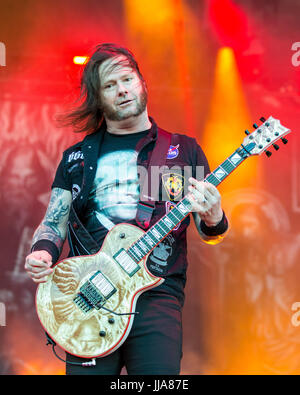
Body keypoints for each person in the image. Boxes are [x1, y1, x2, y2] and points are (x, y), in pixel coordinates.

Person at [24, 43, 229, 375]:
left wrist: (213, 215)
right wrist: (42, 252)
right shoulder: (77, 158)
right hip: (89, 295)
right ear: (98, 97)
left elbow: (211, 234)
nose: (121, 90)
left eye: (127, 80)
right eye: (109, 85)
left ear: (142, 82)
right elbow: (54, 222)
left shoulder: (181, 151)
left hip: (156, 296)